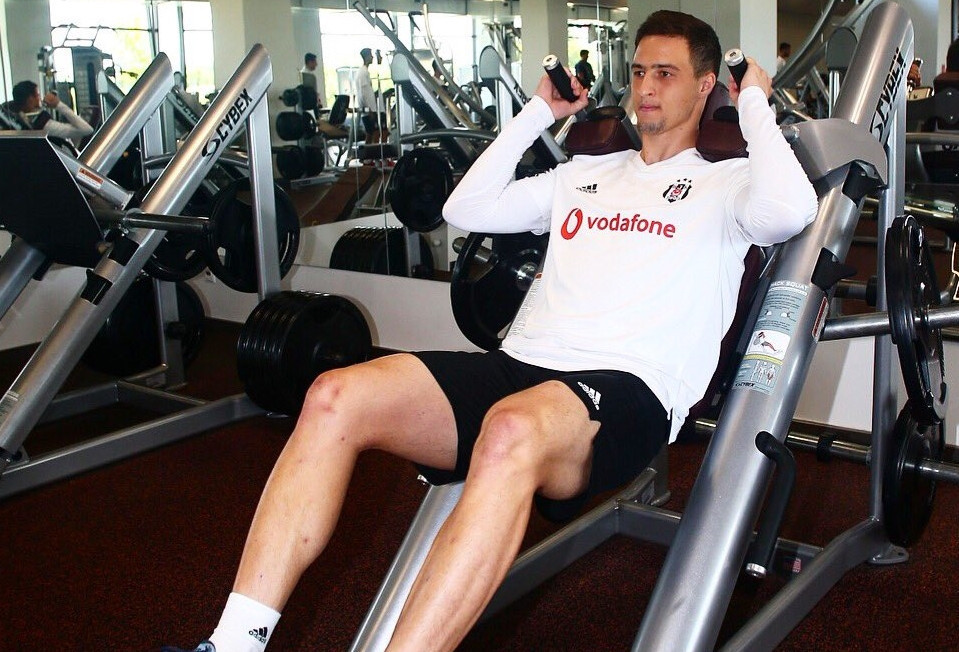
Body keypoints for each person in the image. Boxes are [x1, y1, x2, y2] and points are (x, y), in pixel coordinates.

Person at [163, 10, 817, 652]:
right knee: (334, 394)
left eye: (666, 74)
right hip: (521, 365)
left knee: (508, 430)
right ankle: (235, 640)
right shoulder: (585, 174)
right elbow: (465, 207)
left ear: (706, 85)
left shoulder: (729, 184)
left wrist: (753, 103)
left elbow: (791, 210)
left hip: (629, 388)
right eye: (640, 71)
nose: (645, 87)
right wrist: (537, 114)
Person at [4, 80, 93, 145]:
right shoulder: (44, 125)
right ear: (30, 99)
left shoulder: (14, 119)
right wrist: (58, 104)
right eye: (38, 95)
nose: (40, 98)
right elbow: (87, 130)